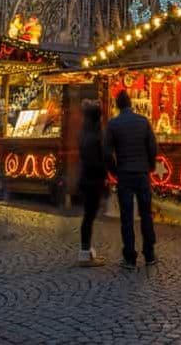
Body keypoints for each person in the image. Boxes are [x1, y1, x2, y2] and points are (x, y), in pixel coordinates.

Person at [104, 90, 158, 269]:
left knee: (126, 216)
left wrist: (115, 171)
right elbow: (152, 146)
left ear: (117, 105)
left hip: (125, 174)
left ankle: (129, 256)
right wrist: (149, 166)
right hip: (142, 173)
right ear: (131, 103)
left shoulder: (113, 124)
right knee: (146, 214)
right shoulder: (143, 122)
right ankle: (149, 253)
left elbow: (106, 152)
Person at [77, 100, 108, 267]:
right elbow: (98, 160)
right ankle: (84, 253)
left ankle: (86, 251)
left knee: (88, 216)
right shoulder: (96, 135)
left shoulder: (84, 133)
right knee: (89, 216)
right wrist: (105, 172)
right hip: (93, 179)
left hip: (86, 178)